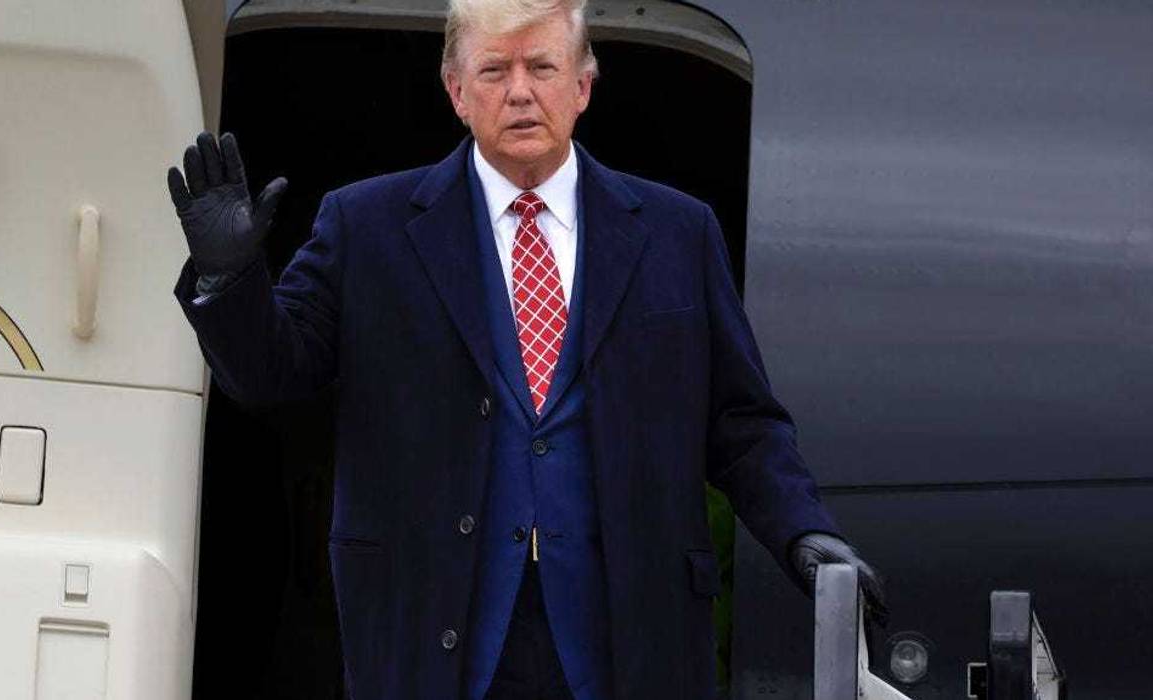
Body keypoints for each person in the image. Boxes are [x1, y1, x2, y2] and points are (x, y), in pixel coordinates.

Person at [167, 0, 887, 697]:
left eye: (541, 67)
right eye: (493, 70)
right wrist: (228, 280)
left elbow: (741, 422)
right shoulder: (365, 225)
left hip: (629, 635)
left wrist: (801, 532)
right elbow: (270, 373)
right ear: (456, 91)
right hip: (436, 631)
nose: (519, 92)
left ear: (582, 86)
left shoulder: (677, 232)